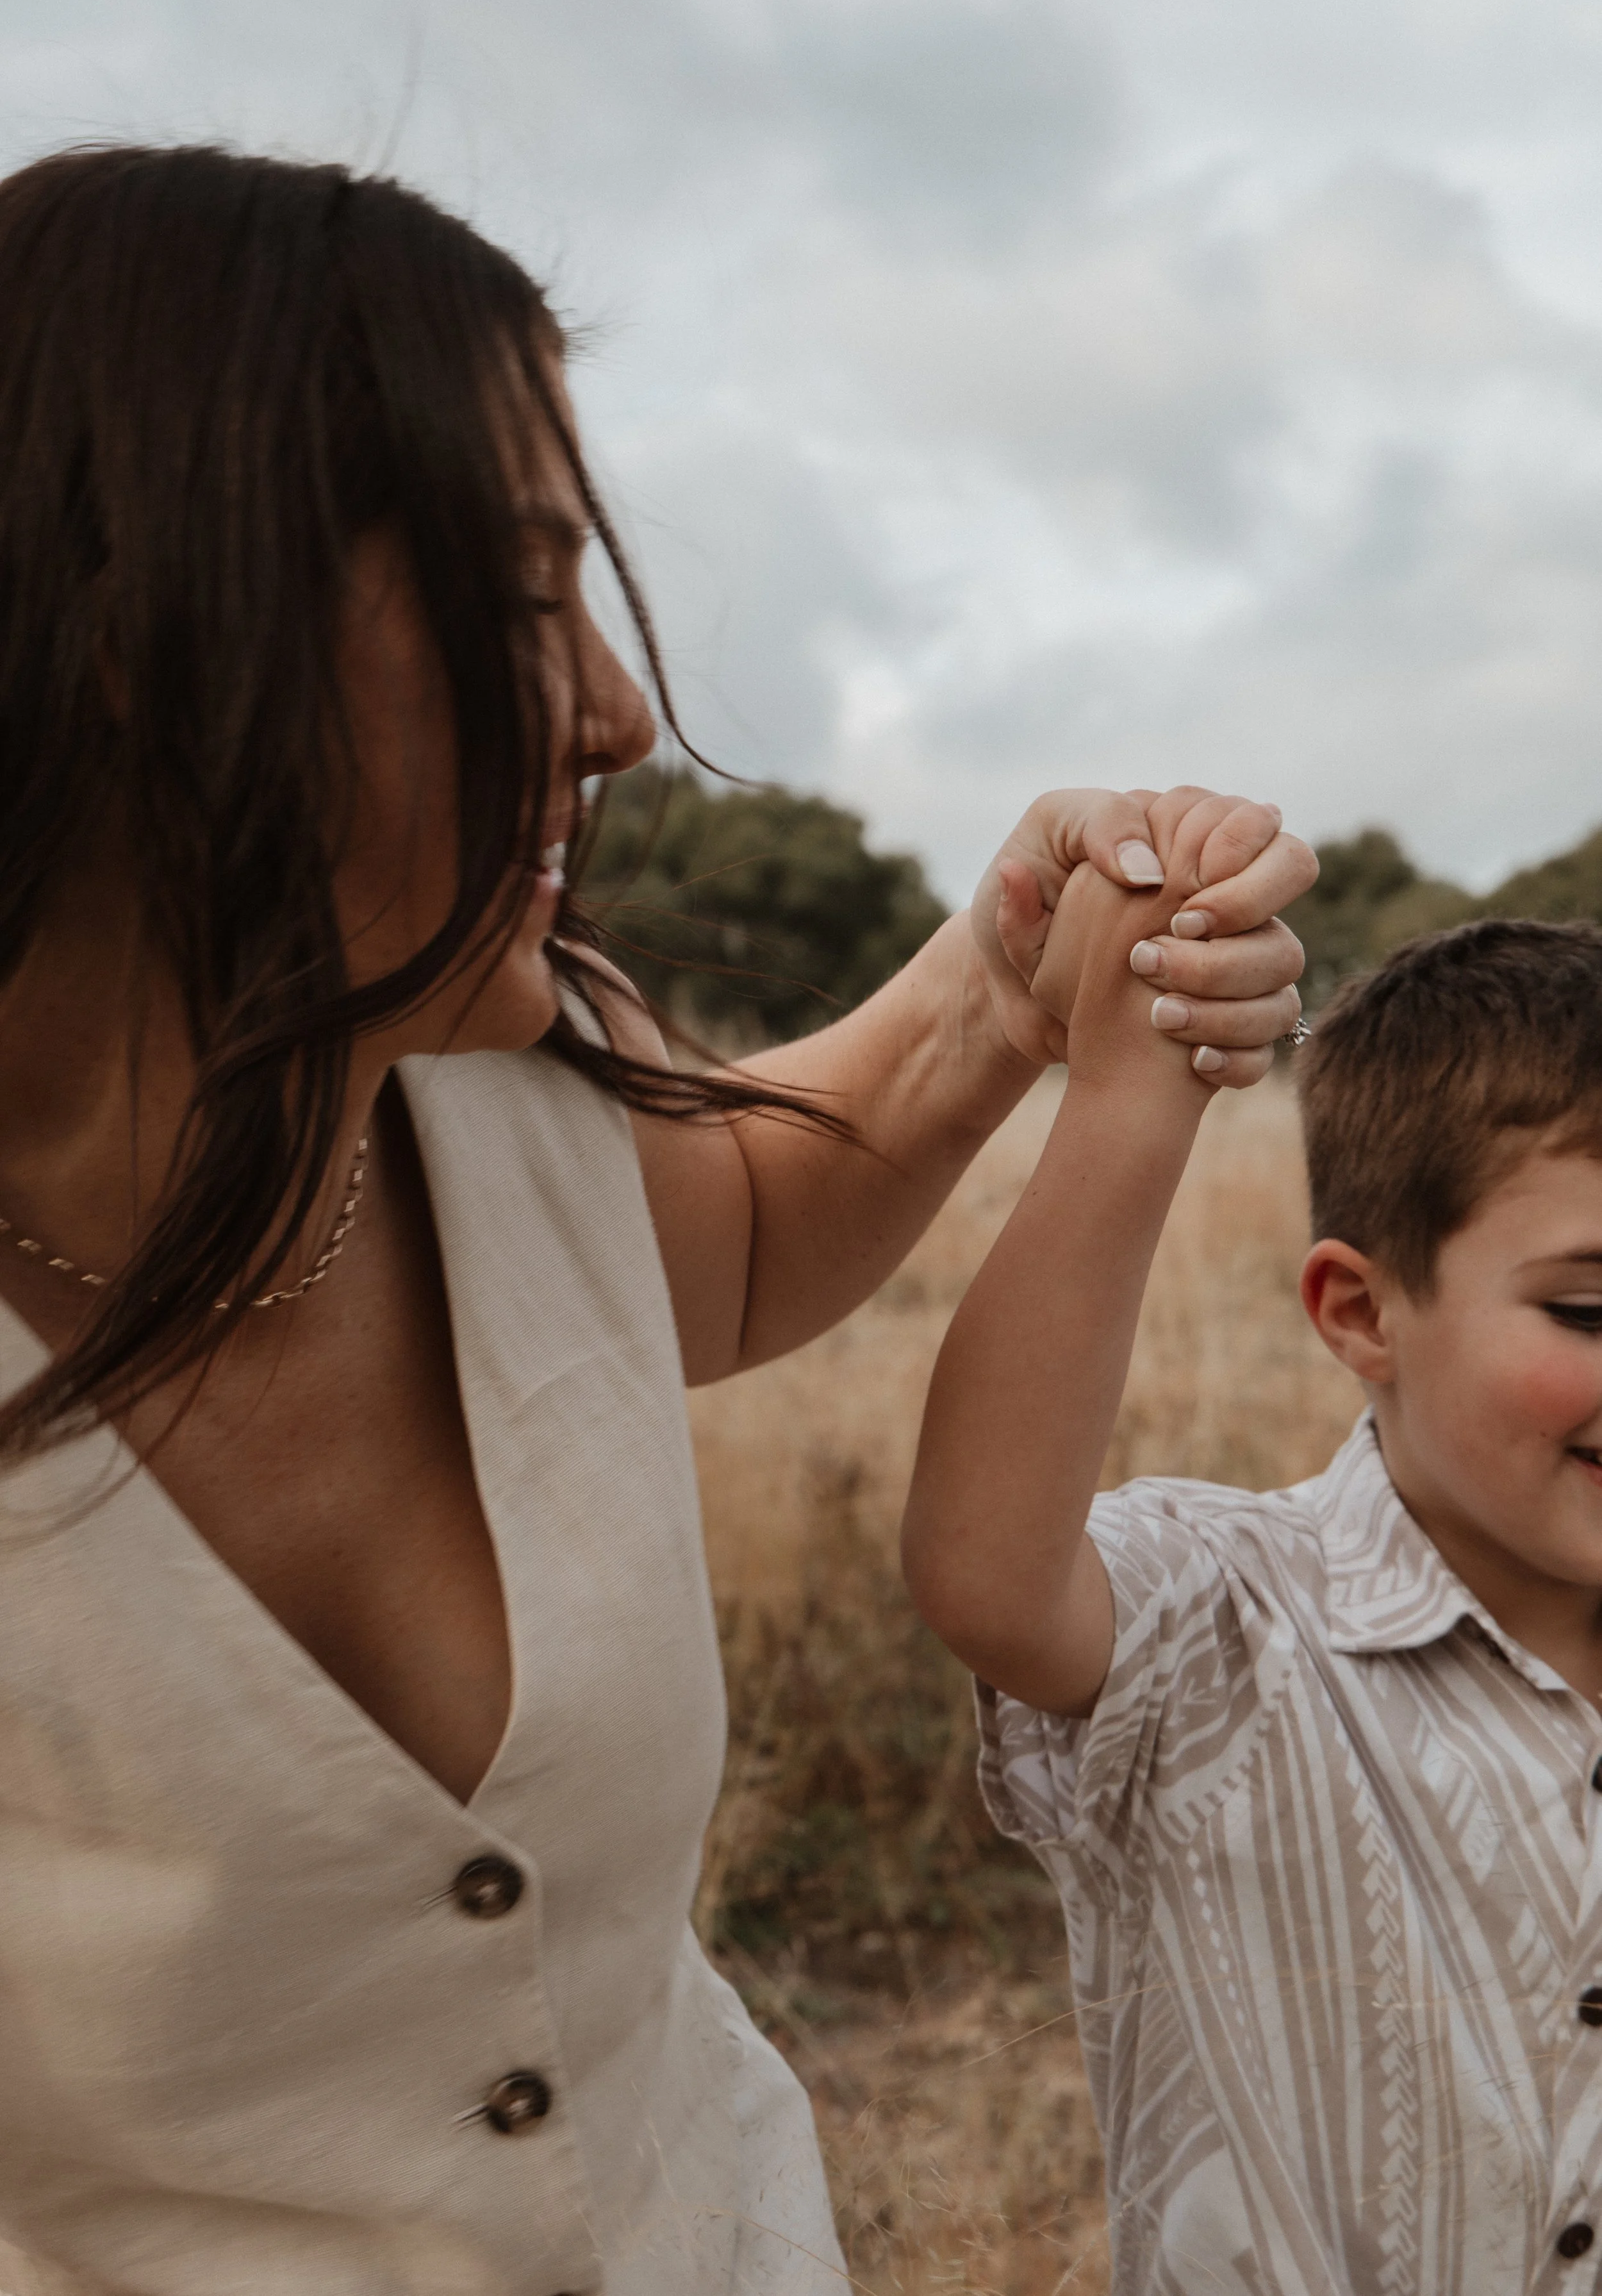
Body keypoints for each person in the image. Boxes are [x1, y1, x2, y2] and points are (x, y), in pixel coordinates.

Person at [0, 144, 1314, 2296]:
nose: (614, 708)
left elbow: (726, 1231)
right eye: (523, 600)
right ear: (145, 620)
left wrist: (1003, 982)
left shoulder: (502, 1073)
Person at [903, 840, 1602, 2293]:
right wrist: (1129, 1082)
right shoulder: (1224, 1619)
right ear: (1357, 1310)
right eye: (1588, 1311)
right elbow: (986, 1573)